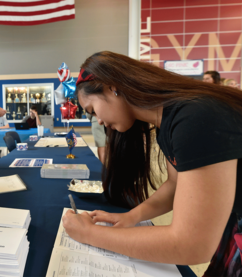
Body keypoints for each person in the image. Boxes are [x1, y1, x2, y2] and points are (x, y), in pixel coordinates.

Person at [62, 51, 242, 276]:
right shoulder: (168, 119)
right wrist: (132, 216)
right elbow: (175, 184)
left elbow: (193, 245)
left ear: (111, 87)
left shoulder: (195, 117)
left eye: (92, 110)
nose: (98, 121)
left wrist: (89, 234)